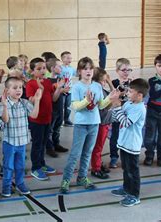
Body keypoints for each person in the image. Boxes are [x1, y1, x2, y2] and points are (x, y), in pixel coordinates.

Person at [59, 57, 119, 194]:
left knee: (87, 153)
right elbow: (75, 106)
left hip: (94, 124)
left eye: (90, 68)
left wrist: (110, 98)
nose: (88, 71)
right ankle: (66, 180)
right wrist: (86, 101)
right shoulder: (77, 86)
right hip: (81, 125)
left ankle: (82, 177)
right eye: (85, 68)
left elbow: (101, 105)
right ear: (79, 71)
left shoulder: (97, 86)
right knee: (75, 154)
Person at [0, 77, 41, 197]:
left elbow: (34, 115)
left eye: (20, 88)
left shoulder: (24, 103)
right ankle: (6, 187)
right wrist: (5, 106)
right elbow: (5, 120)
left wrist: (37, 100)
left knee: (20, 165)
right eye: (15, 88)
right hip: (9, 142)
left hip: (22, 142)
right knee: (8, 166)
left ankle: (20, 183)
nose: (19, 90)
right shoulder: (2, 104)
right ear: (7, 91)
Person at [109, 78, 149, 207]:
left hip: (132, 144)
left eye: (131, 91)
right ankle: (126, 188)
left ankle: (134, 195)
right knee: (126, 168)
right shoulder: (129, 103)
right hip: (124, 143)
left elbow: (126, 122)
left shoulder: (139, 108)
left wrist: (117, 106)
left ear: (139, 95)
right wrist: (113, 107)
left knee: (133, 171)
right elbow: (118, 118)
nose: (127, 93)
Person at [25, 58, 60, 181]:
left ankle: (42, 164)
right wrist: (39, 89)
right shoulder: (30, 84)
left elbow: (53, 98)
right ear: (33, 71)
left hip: (47, 118)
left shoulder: (48, 82)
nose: (42, 71)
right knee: (37, 144)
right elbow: (31, 100)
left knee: (44, 143)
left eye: (44, 68)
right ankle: (35, 167)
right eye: (39, 69)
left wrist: (59, 89)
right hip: (36, 120)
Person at [90, 68, 115, 179]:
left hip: (105, 122)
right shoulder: (97, 91)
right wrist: (112, 103)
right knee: (98, 146)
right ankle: (95, 168)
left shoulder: (101, 89)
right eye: (104, 80)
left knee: (100, 146)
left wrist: (109, 82)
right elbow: (105, 106)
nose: (105, 82)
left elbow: (113, 93)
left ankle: (98, 164)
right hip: (101, 123)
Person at [109, 58, 133, 168]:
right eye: (123, 70)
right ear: (117, 71)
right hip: (117, 112)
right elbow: (111, 97)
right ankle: (114, 156)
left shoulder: (133, 83)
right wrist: (121, 91)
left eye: (129, 70)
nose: (126, 72)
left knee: (128, 134)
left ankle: (127, 156)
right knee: (115, 135)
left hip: (129, 112)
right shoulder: (114, 83)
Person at [46, 58, 70, 158]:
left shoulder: (60, 79)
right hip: (52, 109)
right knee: (50, 129)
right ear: (52, 68)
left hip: (59, 108)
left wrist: (64, 89)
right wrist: (61, 89)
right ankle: (49, 147)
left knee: (57, 128)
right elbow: (52, 96)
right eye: (59, 66)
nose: (61, 68)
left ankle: (56, 144)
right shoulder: (48, 81)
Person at [60, 51, 76, 126]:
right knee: (61, 106)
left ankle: (67, 120)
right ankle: (60, 121)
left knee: (68, 106)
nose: (70, 59)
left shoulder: (71, 69)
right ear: (62, 59)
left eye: (70, 58)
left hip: (69, 90)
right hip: (62, 90)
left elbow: (77, 74)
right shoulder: (60, 68)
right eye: (68, 58)